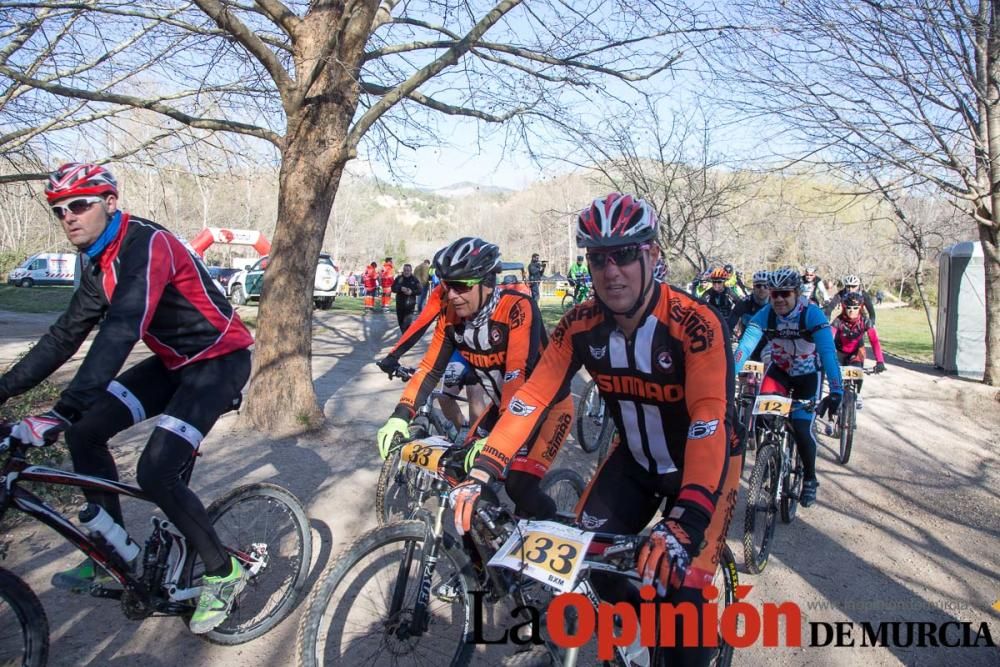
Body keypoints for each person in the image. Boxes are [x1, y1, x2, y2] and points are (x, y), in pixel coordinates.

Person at [456, 193, 740, 667]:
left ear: (652, 255)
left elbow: (710, 418)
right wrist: (482, 470)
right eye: (598, 257)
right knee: (592, 566)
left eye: (625, 254)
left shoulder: (695, 324)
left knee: (685, 597)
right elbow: (531, 398)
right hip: (634, 461)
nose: (611, 271)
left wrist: (687, 519)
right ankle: (644, 638)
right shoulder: (579, 324)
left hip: (706, 466)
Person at [0, 163, 254, 634]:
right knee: (85, 433)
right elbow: (64, 337)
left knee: (156, 470)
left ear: (110, 203)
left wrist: (60, 408)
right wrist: (5, 390)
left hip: (219, 361)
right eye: (59, 210)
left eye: (79, 205)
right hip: (175, 362)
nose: (68, 217)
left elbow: (121, 332)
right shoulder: (99, 260)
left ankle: (224, 572)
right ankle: (111, 553)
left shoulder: (146, 244)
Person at [376, 237, 573, 525]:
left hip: (546, 411)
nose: (452, 295)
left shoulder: (518, 308)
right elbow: (430, 368)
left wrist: (494, 445)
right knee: (461, 472)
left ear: (487, 282)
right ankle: (486, 560)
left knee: (519, 486)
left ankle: (550, 528)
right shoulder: (451, 315)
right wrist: (400, 415)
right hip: (502, 406)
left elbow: (516, 377)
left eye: (462, 285)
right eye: (447, 285)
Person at [733, 266, 843, 508]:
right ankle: (770, 458)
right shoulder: (765, 315)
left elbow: (827, 353)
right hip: (780, 372)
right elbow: (744, 349)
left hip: (807, 376)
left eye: (785, 294)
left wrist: (837, 391)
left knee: (803, 429)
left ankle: (810, 479)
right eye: (774, 294)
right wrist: (727, 376)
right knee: (763, 417)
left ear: (796, 293)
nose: (779, 299)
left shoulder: (812, 315)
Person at [825, 292, 886, 422]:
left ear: (861, 307)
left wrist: (880, 361)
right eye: (848, 308)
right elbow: (829, 340)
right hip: (840, 351)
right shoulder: (838, 321)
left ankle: (857, 394)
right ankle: (832, 415)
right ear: (843, 307)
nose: (851, 311)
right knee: (836, 384)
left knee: (857, 371)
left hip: (856, 351)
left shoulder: (865, 322)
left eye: (855, 308)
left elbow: (874, 341)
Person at [728, 270, 770, 342]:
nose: (762, 289)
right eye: (758, 285)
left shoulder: (776, 303)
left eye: (766, 286)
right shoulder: (743, 303)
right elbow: (729, 325)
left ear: (770, 288)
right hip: (747, 341)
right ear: (753, 287)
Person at [391, 263, 422, 333]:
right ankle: (404, 337)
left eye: (408, 270)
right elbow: (393, 288)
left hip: (410, 305)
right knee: (401, 323)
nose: (406, 272)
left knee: (407, 324)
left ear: (411, 271)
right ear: (403, 271)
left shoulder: (414, 279)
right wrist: (400, 288)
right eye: (405, 270)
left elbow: (420, 291)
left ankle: (405, 339)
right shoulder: (399, 278)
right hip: (400, 304)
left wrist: (412, 292)